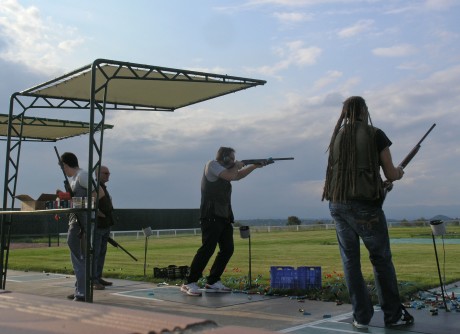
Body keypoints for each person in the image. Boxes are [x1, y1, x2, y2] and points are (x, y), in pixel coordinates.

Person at [322, 96, 414, 329]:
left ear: (345, 112)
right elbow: (391, 174)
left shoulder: (337, 136)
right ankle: (392, 316)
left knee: (350, 262)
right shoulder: (376, 134)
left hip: (338, 204)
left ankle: (360, 317)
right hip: (366, 207)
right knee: (381, 260)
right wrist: (400, 172)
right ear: (364, 110)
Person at [181, 147, 265, 296]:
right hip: (210, 214)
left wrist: (254, 166)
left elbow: (237, 176)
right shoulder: (212, 164)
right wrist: (238, 165)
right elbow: (231, 175)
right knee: (207, 249)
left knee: (227, 249)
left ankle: (213, 281)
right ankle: (189, 282)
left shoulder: (227, 170)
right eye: (231, 158)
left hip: (224, 215)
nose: (233, 160)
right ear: (225, 158)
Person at [58, 152, 103, 301]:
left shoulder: (82, 175)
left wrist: (77, 203)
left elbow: (98, 193)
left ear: (65, 164)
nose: (63, 170)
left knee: (80, 257)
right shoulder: (74, 179)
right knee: (77, 256)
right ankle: (80, 288)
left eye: (62, 166)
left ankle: (82, 292)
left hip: (82, 222)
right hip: (75, 221)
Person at [92, 165, 115, 289]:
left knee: (101, 253)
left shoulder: (103, 187)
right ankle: (94, 280)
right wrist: (100, 214)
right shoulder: (95, 187)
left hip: (105, 225)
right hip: (99, 225)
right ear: (97, 174)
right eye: (105, 173)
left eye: (108, 173)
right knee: (95, 254)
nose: (108, 175)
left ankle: (98, 277)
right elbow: (92, 204)